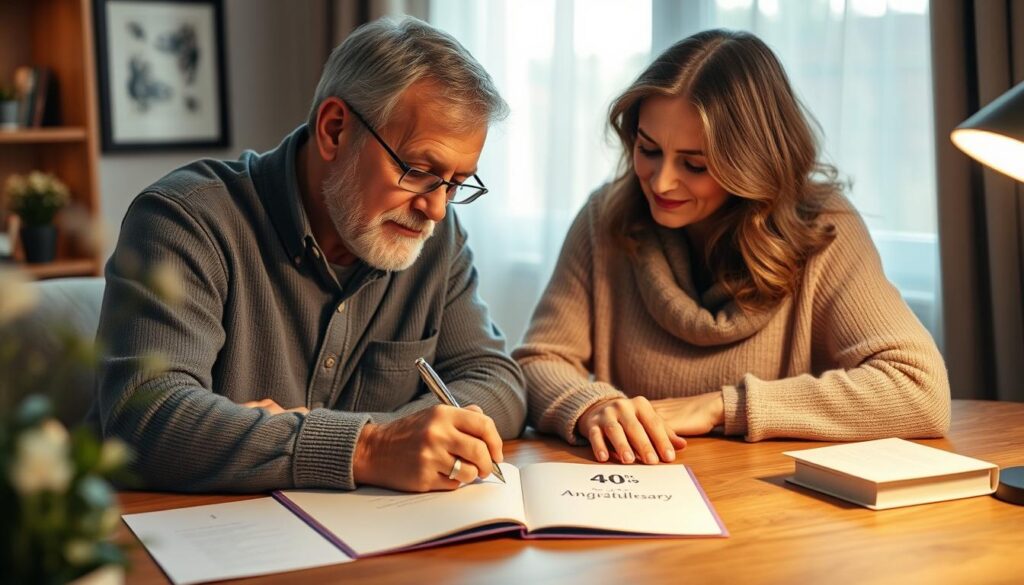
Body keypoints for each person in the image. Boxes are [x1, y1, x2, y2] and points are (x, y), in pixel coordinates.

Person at [90, 17, 526, 493]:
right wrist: (369, 447)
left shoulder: (436, 241)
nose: (438, 209)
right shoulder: (185, 220)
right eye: (420, 170)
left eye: (458, 183)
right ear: (335, 130)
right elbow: (148, 416)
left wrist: (377, 434)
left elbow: (497, 381)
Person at [513, 29, 950, 466]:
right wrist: (591, 406)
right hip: (641, 489)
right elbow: (538, 362)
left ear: (750, 161)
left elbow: (918, 388)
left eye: (694, 164)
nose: (661, 181)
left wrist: (721, 406)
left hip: (776, 506)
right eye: (648, 149)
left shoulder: (823, 227)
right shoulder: (605, 216)